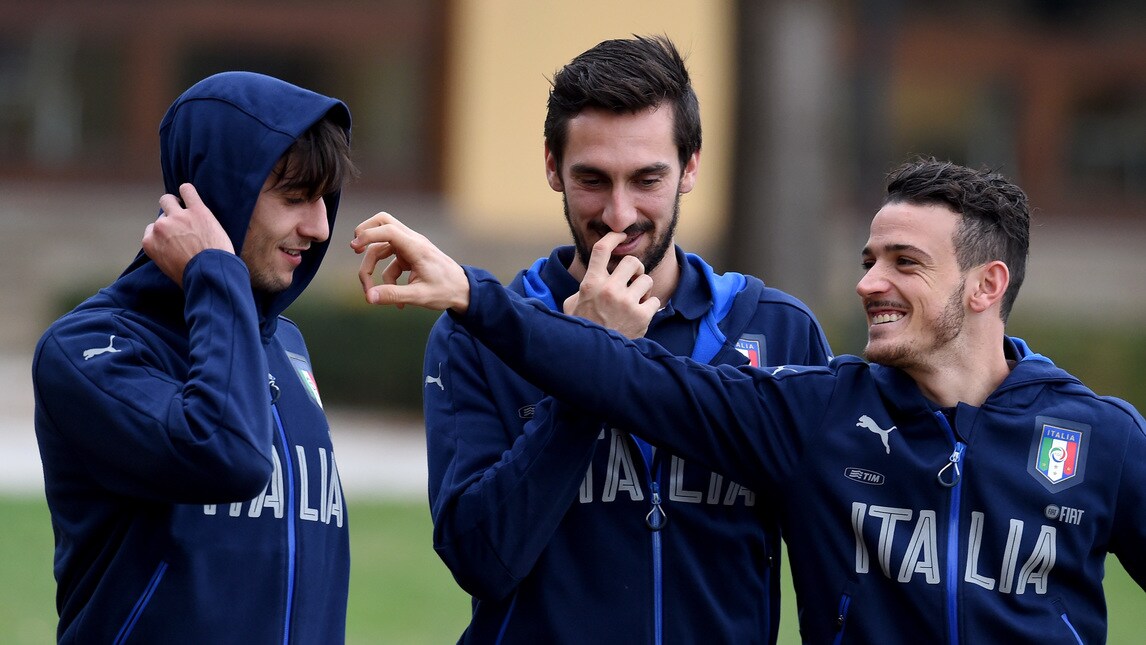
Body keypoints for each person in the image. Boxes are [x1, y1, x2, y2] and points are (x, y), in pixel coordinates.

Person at [351, 157, 1146, 644]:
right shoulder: (818, 414)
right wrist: (471, 295)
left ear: (987, 285)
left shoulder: (1098, 440)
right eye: (868, 259)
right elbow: (637, 380)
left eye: (905, 262)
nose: (870, 283)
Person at [417, 35, 832, 643]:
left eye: (647, 179)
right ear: (552, 167)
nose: (618, 213)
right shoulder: (479, 335)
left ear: (690, 167)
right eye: (592, 179)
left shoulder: (777, 329)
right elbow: (481, 559)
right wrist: (588, 355)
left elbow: (836, 558)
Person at [32, 72, 357, 643]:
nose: (320, 226)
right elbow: (224, 453)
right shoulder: (86, 349)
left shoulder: (287, 345)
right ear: (219, 191)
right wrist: (215, 271)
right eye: (295, 197)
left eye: (325, 200)